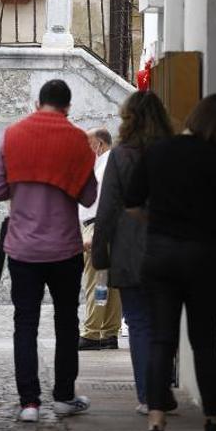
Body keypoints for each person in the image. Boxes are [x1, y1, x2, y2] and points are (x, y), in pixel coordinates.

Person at [125, 94, 216, 431]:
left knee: (161, 339)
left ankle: (156, 420)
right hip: (203, 257)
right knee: (204, 340)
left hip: (159, 256)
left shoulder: (158, 150)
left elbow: (131, 202)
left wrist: (156, 223)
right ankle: (212, 419)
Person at [0, 79, 97, 423]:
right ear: (67, 107)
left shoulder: (12, 135)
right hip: (65, 248)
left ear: (38, 103)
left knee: (25, 324)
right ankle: (64, 396)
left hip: (22, 249)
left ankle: (29, 403)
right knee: (67, 322)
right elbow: (90, 197)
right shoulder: (77, 139)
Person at [92, 92, 175, 415]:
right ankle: (163, 387)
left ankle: (147, 395)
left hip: (129, 250)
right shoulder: (171, 153)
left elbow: (107, 208)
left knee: (139, 323)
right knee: (164, 322)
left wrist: (100, 252)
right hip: (168, 245)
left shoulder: (121, 156)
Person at [79, 128, 122, 351]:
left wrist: (96, 233)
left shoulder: (105, 164)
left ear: (100, 144)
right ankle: (108, 331)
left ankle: (93, 332)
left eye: (89, 145)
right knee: (107, 282)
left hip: (97, 227)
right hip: (103, 226)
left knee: (96, 280)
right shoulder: (105, 163)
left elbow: (105, 200)